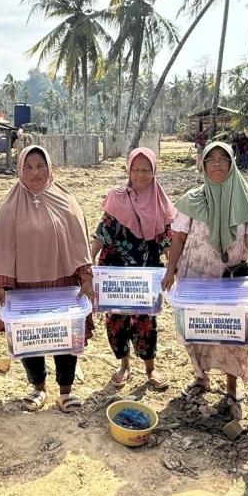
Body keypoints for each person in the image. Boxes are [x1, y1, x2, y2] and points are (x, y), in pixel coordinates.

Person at [161, 141, 248, 419]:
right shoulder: (191, 199)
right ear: (203, 165)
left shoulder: (245, 199)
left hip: (229, 279)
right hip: (194, 275)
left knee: (230, 333)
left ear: (232, 164)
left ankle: (232, 389)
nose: (217, 163)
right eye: (211, 159)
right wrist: (170, 270)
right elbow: (179, 237)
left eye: (223, 159)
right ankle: (201, 378)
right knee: (196, 330)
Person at [0, 145, 94, 413]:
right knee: (30, 336)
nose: (35, 172)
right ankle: (38, 387)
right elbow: (2, 247)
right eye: (28, 167)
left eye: (41, 166)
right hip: (25, 287)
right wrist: (1, 285)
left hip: (62, 283)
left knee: (64, 335)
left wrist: (85, 276)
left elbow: (78, 241)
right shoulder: (10, 206)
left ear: (50, 168)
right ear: (19, 169)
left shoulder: (67, 202)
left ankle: (65, 390)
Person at [91, 147, 175, 390]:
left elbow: (167, 237)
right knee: (116, 320)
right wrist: (89, 257)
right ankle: (124, 365)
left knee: (145, 321)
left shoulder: (160, 200)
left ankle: (151, 368)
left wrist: (171, 266)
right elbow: (103, 231)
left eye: (146, 169)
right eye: (136, 169)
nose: (140, 174)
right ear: (129, 170)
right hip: (114, 271)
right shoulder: (117, 196)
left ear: (154, 171)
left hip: (145, 273)